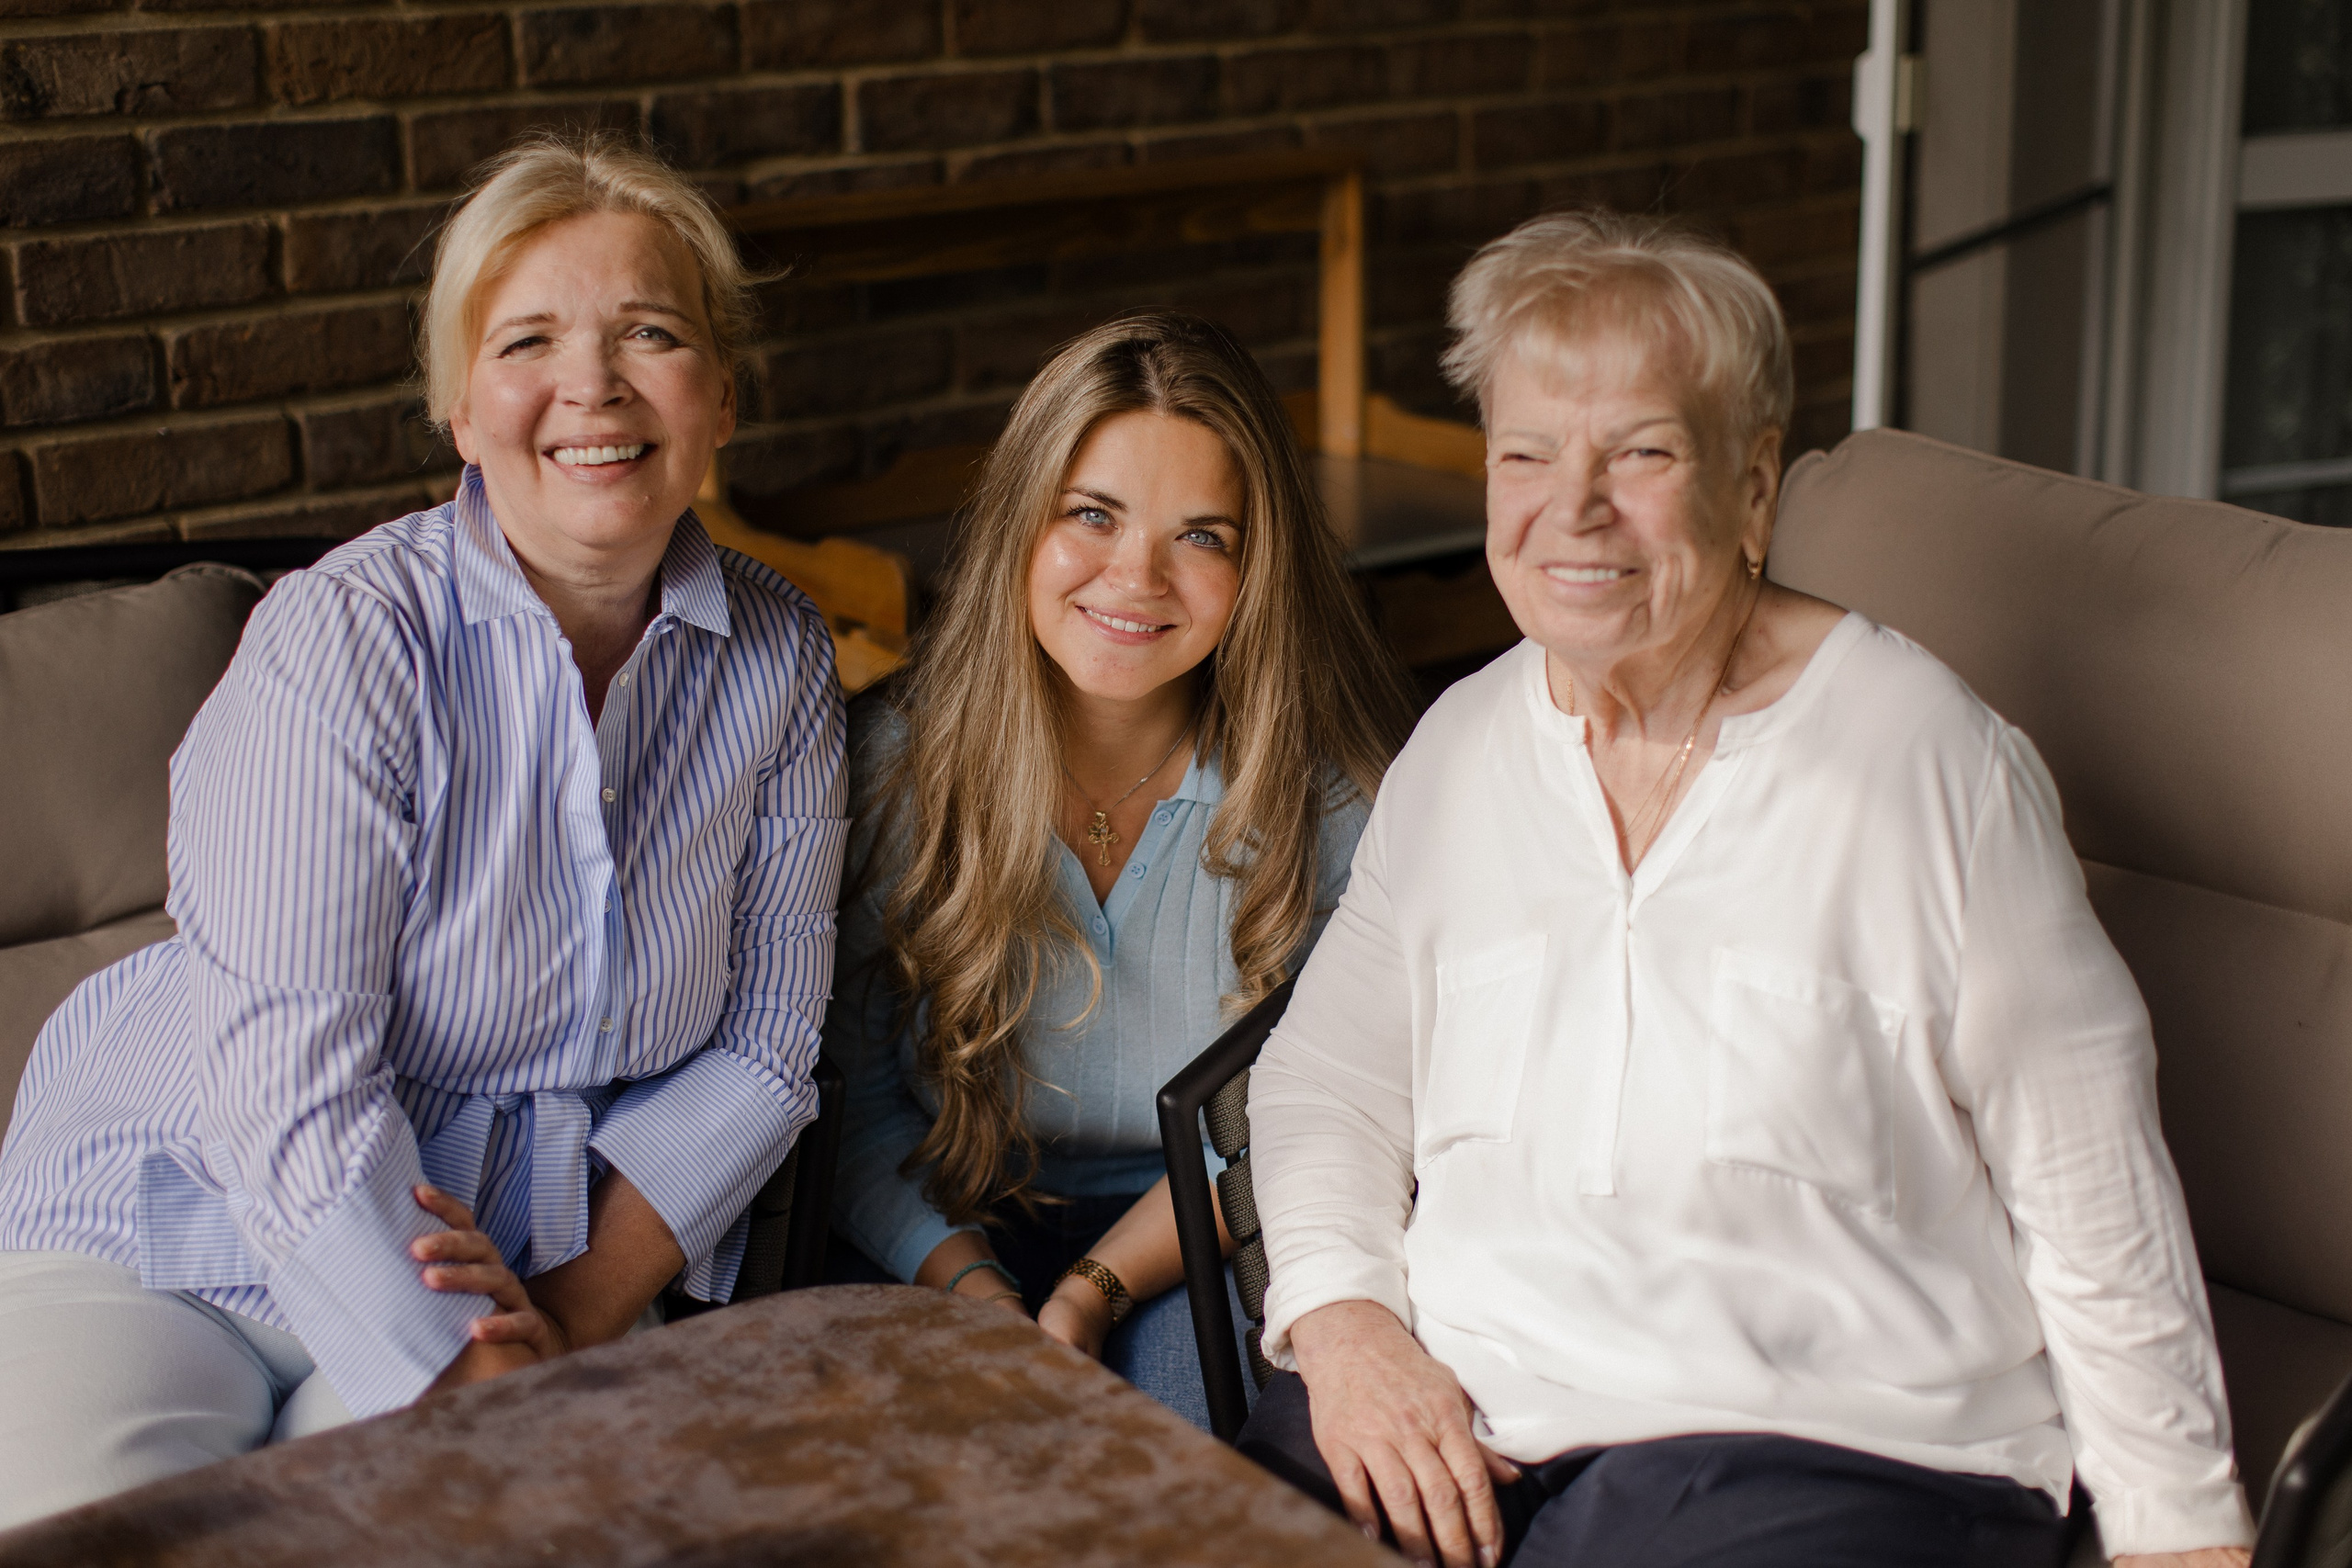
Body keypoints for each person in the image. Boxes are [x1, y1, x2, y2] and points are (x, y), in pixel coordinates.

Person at [1238, 211, 2256, 1568]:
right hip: (1467, 1406)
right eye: (1526, 453)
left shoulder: (1929, 760)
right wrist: (1345, 1317)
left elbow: (2087, 1175)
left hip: (1819, 1445)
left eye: (1642, 452)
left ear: (1756, 485)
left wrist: (2179, 1537)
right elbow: (1332, 1080)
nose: (1573, 508)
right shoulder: (1464, 747)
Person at [0, 132, 846, 1528]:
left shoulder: (782, 658)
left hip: (525, 1272)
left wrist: (561, 1323)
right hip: (171, 1227)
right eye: (529, 340)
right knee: (86, 1532)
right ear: (462, 407)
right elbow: (288, 1065)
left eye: (650, 333)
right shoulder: (347, 637)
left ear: (721, 399)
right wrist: (458, 1358)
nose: (594, 385)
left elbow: (766, 1045)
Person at [826, 310, 1416, 1429]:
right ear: (1018, 528)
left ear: (1256, 567)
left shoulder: (1332, 795)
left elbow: (1304, 1113)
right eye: (1091, 514)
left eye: (1202, 535)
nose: (1135, 575)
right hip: (933, 1227)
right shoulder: (891, 773)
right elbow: (852, 1111)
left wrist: (1093, 1291)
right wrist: (978, 1288)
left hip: (1207, 1226)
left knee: (1175, 1467)